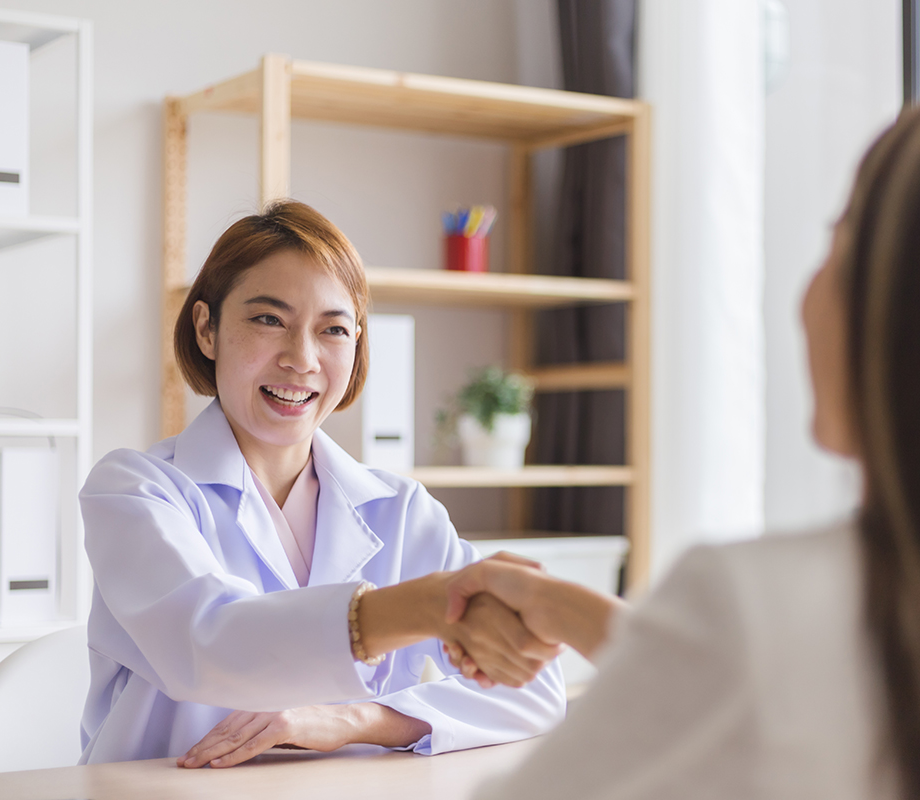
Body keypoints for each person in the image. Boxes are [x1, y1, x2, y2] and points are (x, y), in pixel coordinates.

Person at [447, 87, 920, 800]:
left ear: (903, 311)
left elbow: (764, 670)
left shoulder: (757, 610)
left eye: (837, 241)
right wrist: (566, 612)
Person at [78, 201, 565, 767]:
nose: (301, 359)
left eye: (333, 329)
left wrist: (358, 720)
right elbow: (208, 642)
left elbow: (534, 688)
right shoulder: (136, 491)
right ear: (207, 329)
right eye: (268, 320)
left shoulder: (401, 510)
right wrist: (420, 607)